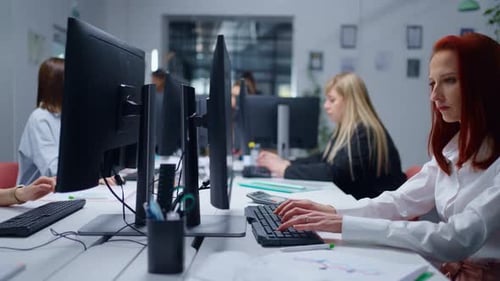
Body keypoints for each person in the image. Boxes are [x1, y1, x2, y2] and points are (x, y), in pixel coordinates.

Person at [275, 33, 500, 280]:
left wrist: (342, 224)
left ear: (484, 83)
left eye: (449, 80)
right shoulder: (453, 149)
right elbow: (398, 202)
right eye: (432, 84)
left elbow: (456, 238)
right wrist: (331, 211)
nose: (434, 96)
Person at [257, 72, 406, 199]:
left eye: (332, 100)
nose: (326, 105)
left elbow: (336, 174)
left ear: (350, 102)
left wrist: (286, 169)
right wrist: (288, 162)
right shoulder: (348, 131)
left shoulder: (365, 133)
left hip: (374, 216)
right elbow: (324, 159)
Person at [17, 58, 117, 186]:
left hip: (63, 192)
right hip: (36, 200)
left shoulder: (68, 117)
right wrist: (94, 180)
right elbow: (53, 171)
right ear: (59, 86)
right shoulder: (40, 119)